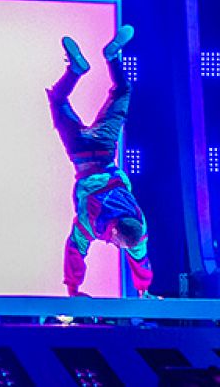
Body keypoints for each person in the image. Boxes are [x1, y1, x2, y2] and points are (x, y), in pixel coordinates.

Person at [49, 24, 152, 297]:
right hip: (80, 153)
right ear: (115, 231)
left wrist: (144, 290)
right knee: (58, 100)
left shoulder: (139, 224)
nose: (117, 247)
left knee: (123, 91)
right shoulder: (92, 223)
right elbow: (74, 249)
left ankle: (111, 57)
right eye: (119, 243)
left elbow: (140, 257)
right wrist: (73, 290)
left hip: (104, 149)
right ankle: (75, 70)